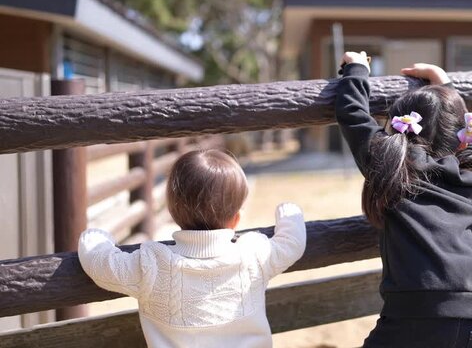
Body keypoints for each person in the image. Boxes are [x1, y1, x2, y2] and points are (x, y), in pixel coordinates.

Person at [335, 51, 472, 348]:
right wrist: (447, 87)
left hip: (417, 313)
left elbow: (353, 114)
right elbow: (465, 133)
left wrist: (357, 71)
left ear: (399, 128)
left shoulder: (393, 164)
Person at [78, 149, 306, 348]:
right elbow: (292, 243)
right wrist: (288, 213)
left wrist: (96, 235)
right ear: (236, 220)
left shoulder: (152, 265)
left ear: (172, 211)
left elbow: (99, 263)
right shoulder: (254, 253)